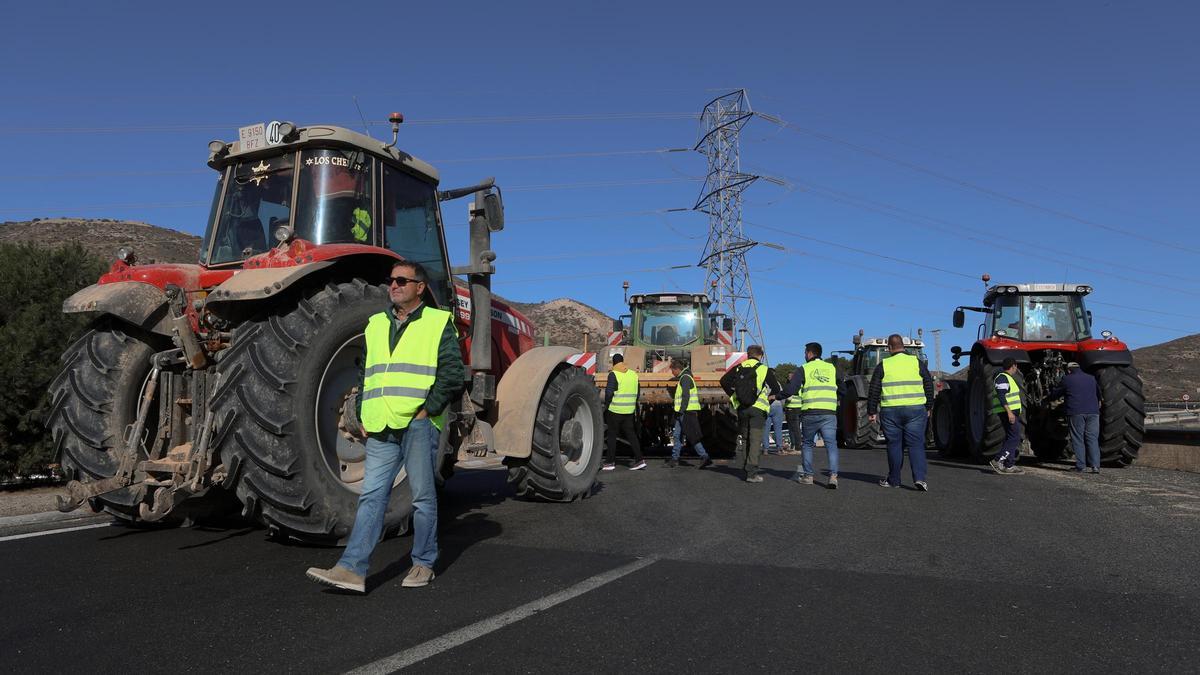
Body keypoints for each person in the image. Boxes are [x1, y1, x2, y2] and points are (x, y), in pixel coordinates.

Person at [306, 261, 464, 593]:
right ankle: (352, 569)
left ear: (420, 287)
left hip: (418, 424)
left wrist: (427, 409)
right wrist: (363, 411)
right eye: (391, 280)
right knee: (372, 497)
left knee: (422, 498)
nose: (393, 285)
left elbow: (452, 372)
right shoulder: (376, 324)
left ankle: (423, 564)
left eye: (402, 280)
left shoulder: (438, 323)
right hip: (380, 425)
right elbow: (366, 372)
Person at [867, 334, 936, 490]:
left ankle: (894, 480)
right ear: (903, 347)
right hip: (916, 410)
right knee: (916, 445)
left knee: (894, 445)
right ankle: (919, 478)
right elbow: (928, 385)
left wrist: (872, 410)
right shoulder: (916, 362)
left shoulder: (884, 364)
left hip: (891, 411)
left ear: (889, 348)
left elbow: (874, 389)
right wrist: (929, 406)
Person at [780, 342, 840, 489]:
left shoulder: (804, 369)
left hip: (810, 412)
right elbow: (843, 388)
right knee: (831, 445)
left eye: (805, 352)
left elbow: (792, 389)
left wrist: (777, 396)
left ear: (810, 353)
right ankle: (833, 477)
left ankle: (808, 476)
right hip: (829, 413)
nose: (804, 355)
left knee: (807, 444)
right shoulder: (832, 368)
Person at [720, 345, 782, 483]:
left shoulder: (739, 367)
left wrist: (734, 396)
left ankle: (746, 468)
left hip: (742, 408)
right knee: (755, 440)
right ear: (761, 355)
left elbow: (723, 381)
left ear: (748, 355)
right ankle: (752, 473)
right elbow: (776, 389)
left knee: (746, 438)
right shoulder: (764, 369)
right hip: (758, 409)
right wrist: (767, 401)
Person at [1049, 362, 1102, 473]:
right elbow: (1099, 394)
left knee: (1078, 438)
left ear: (1068, 370)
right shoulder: (1091, 378)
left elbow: (1056, 394)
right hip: (1093, 412)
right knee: (1092, 438)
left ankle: (1081, 466)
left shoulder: (1067, 379)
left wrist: (1052, 392)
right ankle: (1095, 466)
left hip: (1076, 412)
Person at [602, 353, 646, 471]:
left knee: (611, 436)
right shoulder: (633, 374)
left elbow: (609, 393)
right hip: (629, 411)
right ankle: (640, 460)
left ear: (614, 363)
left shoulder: (613, 374)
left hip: (615, 410)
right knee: (632, 435)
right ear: (623, 361)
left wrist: (607, 404)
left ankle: (610, 462)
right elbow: (637, 392)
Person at [667, 358, 712, 469]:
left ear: (677, 369)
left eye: (672, 370)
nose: (672, 373)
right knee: (677, 435)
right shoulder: (684, 377)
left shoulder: (685, 378)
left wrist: (681, 410)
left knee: (692, 435)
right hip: (681, 412)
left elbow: (685, 397)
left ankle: (704, 456)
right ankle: (674, 459)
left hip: (686, 412)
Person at [988, 357, 1025, 475]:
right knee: (1014, 437)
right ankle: (998, 460)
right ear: (1013, 366)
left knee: (1011, 436)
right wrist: (1009, 412)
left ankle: (1009, 465)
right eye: (1016, 366)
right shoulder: (1002, 377)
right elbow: (1001, 395)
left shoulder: (1006, 378)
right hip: (1008, 412)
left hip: (1010, 412)